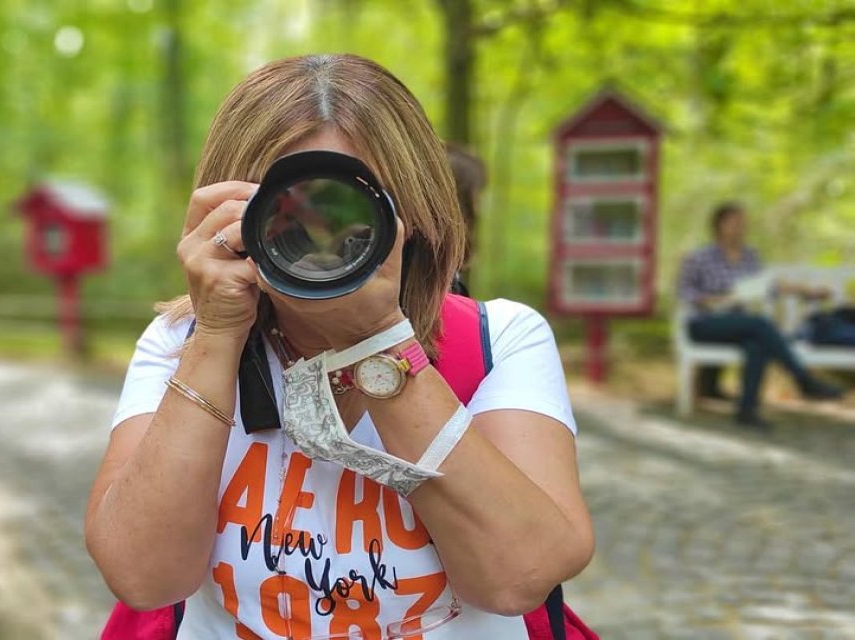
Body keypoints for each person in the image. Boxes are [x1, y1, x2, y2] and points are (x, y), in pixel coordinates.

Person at [85, 55, 593, 639]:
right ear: (231, 217)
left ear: (416, 213)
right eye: (291, 215)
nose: (322, 248)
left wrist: (378, 342)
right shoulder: (182, 345)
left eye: (354, 215)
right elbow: (144, 579)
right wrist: (218, 335)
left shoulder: (502, 339)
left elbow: (515, 579)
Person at [677, 202, 843, 428]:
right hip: (705, 323)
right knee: (760, 325)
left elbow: (769, 287)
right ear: (720, 225)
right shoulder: (700, 257)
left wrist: (808, 291)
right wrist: (713, 299)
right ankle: (803, 380)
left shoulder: (749, 256)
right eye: (736, 223)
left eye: (743, 223)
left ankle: (747, 411)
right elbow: (685, 292)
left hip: (740, 324)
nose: (741, 228)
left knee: (757, 341)